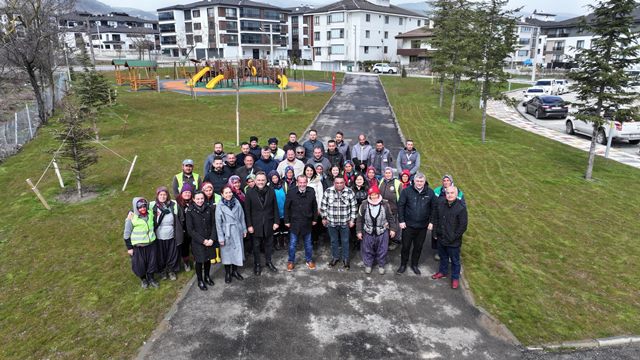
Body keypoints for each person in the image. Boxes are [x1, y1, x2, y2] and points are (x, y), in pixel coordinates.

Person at [396, 173, 436, 275]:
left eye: (421, 181)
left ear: (424, 182)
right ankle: (403, 265)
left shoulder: (430, 193)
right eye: (417, 181)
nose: (419, 183)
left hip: (422, 226)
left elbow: (434, 209)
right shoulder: (406, 191)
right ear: (414, 181)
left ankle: (414, 265)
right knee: (405, 246)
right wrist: (401, 220)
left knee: (418, 247)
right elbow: (401, 206)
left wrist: (431, 222)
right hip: (408, 225)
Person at [431, 186, 468, 289]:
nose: (450, 195)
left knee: (455, 261)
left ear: (456, 194)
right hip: (441, 237)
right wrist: (435, 233)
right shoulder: (441, 203)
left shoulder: (461, 207)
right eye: (448, 193)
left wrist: (453, 237)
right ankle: (442, 272)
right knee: (443, 257)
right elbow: (436, 219)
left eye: (452, 193)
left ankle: (455, 278)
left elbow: (463, 226)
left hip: (453, 241)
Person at [356, 185, 398, 275]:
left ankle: (381, 265)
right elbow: (359, 219)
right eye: (372, 194)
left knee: (383, 249)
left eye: (376, 194)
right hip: (368, 231)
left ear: (378, 194)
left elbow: (390, 218)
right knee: (367, 249)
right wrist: (359, 231)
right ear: (369, 195)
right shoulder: (364, 204)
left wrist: (393, 229)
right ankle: (368, 264)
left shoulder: (385, 204)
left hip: (382, 231)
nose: (374, 196)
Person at [244, 172, 280, 275]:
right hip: (255, 225)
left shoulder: (271, 191)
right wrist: (249, 225)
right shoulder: (249, 193)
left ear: (266, 181)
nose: (261, 182)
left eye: (263, 180)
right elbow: (247, 211)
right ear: (255, 181)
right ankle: (257, 265)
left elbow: (275, 207)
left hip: (269, 223)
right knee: (256, 246)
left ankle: (269, 262)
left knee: (269, 245)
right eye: (258, 180)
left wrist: (276, 222)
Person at [320, 177, 357, 270]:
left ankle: (345, 259)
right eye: (337, 183)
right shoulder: (328, 191)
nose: (339, 184)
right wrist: (324, 218)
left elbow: (354, 207)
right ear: (334, 183)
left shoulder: (349, 192)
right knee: (333, 241)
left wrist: (352, 220)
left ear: (344, 183)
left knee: (345, 241)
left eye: (341, 182)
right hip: (331, 222)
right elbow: (323, 206)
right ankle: (335, 257)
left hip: (345, 222)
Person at [284, 175, 318, 271]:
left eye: (304, 182)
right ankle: (291, 261)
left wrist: (315, 219)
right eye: (300, 182)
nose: (302, 184)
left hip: (307, 222)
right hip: (294, 222)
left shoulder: (311, 191)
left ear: (307, 183)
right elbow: (286, 207)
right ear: (297, 183)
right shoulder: (291, 192)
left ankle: (309, 260)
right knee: (292, 244)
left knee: (308, 244)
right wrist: (286, 221)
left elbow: (314, 206)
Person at [123, 197, 159, 289]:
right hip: (139, 247)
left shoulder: (150, 214)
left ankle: (151, 279)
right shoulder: (131, 218)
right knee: (140, 265)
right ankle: (144, 280)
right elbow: (126, 234)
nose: (142, 209)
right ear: (136, 208)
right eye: (140, 207)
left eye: (144, 206)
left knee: (152, 263)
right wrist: (129, 248)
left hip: (151, 244)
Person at [186, 191, 218, 291]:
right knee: (200, 261)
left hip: (209, 239)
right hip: (198, 242)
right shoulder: (190, 211)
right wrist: (203, 241)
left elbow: (214, 224)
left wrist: (212, 238)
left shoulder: (209, 208)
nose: (200, 201)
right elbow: (190, 230)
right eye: (198, 199)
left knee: (208, 259)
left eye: (202, 198)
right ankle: (200, 280)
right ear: (194, 199)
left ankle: (207, 277)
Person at [216, 186, 248, 284]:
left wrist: (244, 229)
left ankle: (235, 271)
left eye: (230, 192)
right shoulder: (220, 206)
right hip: (227, 232)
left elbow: (242, 217)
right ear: (222, 194)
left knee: (237, 251)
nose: (228, 194)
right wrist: (221, 237)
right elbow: (218, 223)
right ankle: (227, 273)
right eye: (226, 193)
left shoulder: (237, 203)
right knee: (227, 253)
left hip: (237, 230)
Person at [432, 174, 466, 260]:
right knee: (440, 236)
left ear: (451, 182)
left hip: (452, 219)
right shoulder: (437, 190)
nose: (446, 182)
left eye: (448, 180)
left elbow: (462, 208)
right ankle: (439, 253)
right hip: (441, 215)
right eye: (444, 180)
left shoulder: (458, 192)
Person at [150, 186, 179, 281]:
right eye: (160, 195)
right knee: (161, 255)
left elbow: (180, 213)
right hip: (159, 235)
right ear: (157, 195)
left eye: (164, 194)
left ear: (167, 195)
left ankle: (171, 271)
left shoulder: (173, 204)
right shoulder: (152, 205)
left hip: (171, 234)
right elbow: (139, 207)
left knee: (171, 254)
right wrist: (130, 212)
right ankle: (162, 271)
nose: (162, 196)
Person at [378, 167, 402, 251]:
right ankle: (386, 241)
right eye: (386, 173)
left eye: (389, 173)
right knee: (385, 225)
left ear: (392, 174)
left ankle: (395, 241)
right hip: (383, 209)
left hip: (394, 209)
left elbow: (401, 198)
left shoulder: (397, 183)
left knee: (394, 225)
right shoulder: (381, 181)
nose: (387, 174)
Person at [304, 164, 325, 247]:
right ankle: (307, 240)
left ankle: (315, 240)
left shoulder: (317, 181)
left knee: (315, 224)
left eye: (311, 170)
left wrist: (319, 207)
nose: (309, 172)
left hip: (315, 206)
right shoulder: (302, 180)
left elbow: (320, 194)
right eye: (307, 170)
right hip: (305, 207)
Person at [176, 183, 194, 271]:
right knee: (184, 247)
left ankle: (196, 260)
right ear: (181, 193)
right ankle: (186, 263)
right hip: (183, 229)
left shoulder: (193, 202)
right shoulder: (177, 203)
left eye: (189, 192)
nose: (187, 194)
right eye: (185, 192)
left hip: (193, 228)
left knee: (194, 245)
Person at [268, 170, 288, 250]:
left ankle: (285, 241)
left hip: (284, 209)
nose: (275, 180)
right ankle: (277, 242)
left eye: (276, 178)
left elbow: (287, 194)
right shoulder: (269, 186)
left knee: (285, 226)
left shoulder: (284, 184)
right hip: (275, 211)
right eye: (273, 178)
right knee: (276, 227)